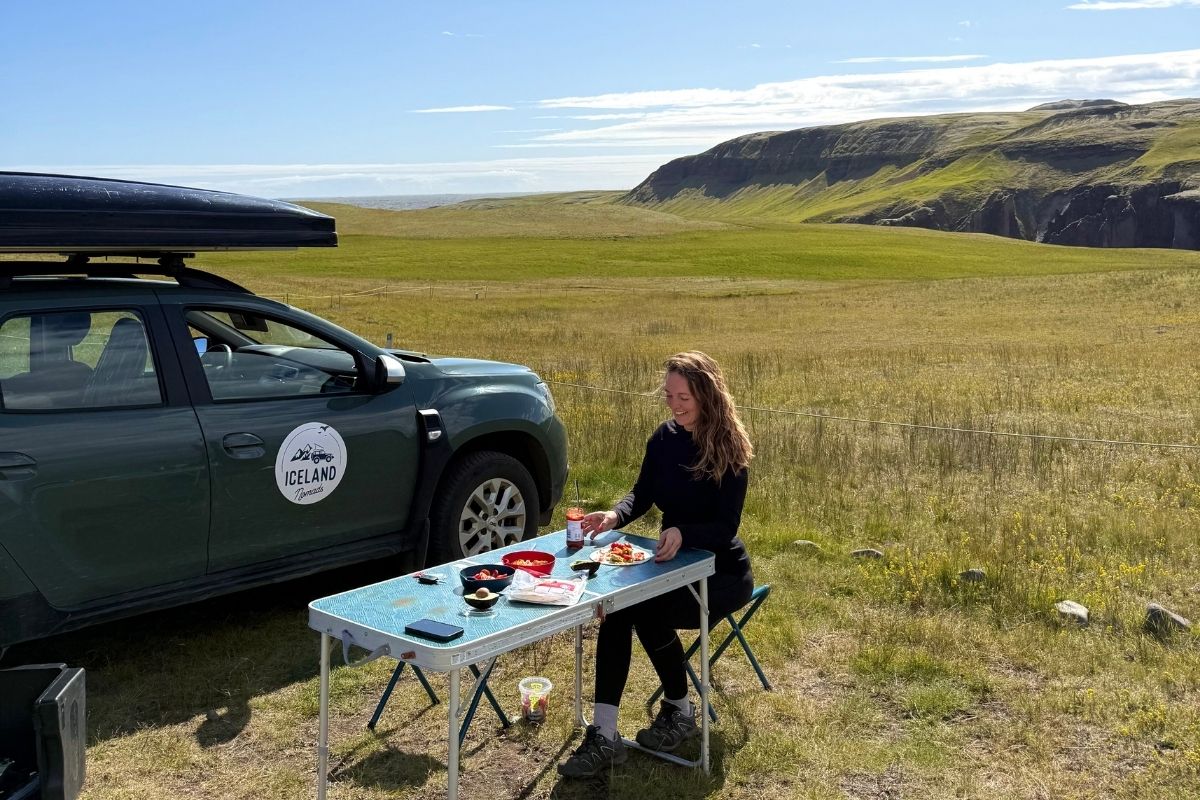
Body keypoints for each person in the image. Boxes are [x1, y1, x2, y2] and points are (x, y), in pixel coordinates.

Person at [558, 351, 754, 778]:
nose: (674, 405)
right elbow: (642, 493)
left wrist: (684, 531)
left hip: (721, 572)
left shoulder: (730, 448)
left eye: (684, 397)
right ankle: (607, 733)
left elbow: (725, 526)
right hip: (670, 562)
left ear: (707, 395)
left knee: (641, 610)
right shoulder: (663, 439)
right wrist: (615, 515)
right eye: (669, 395)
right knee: (619, 607)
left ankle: (678, 712)